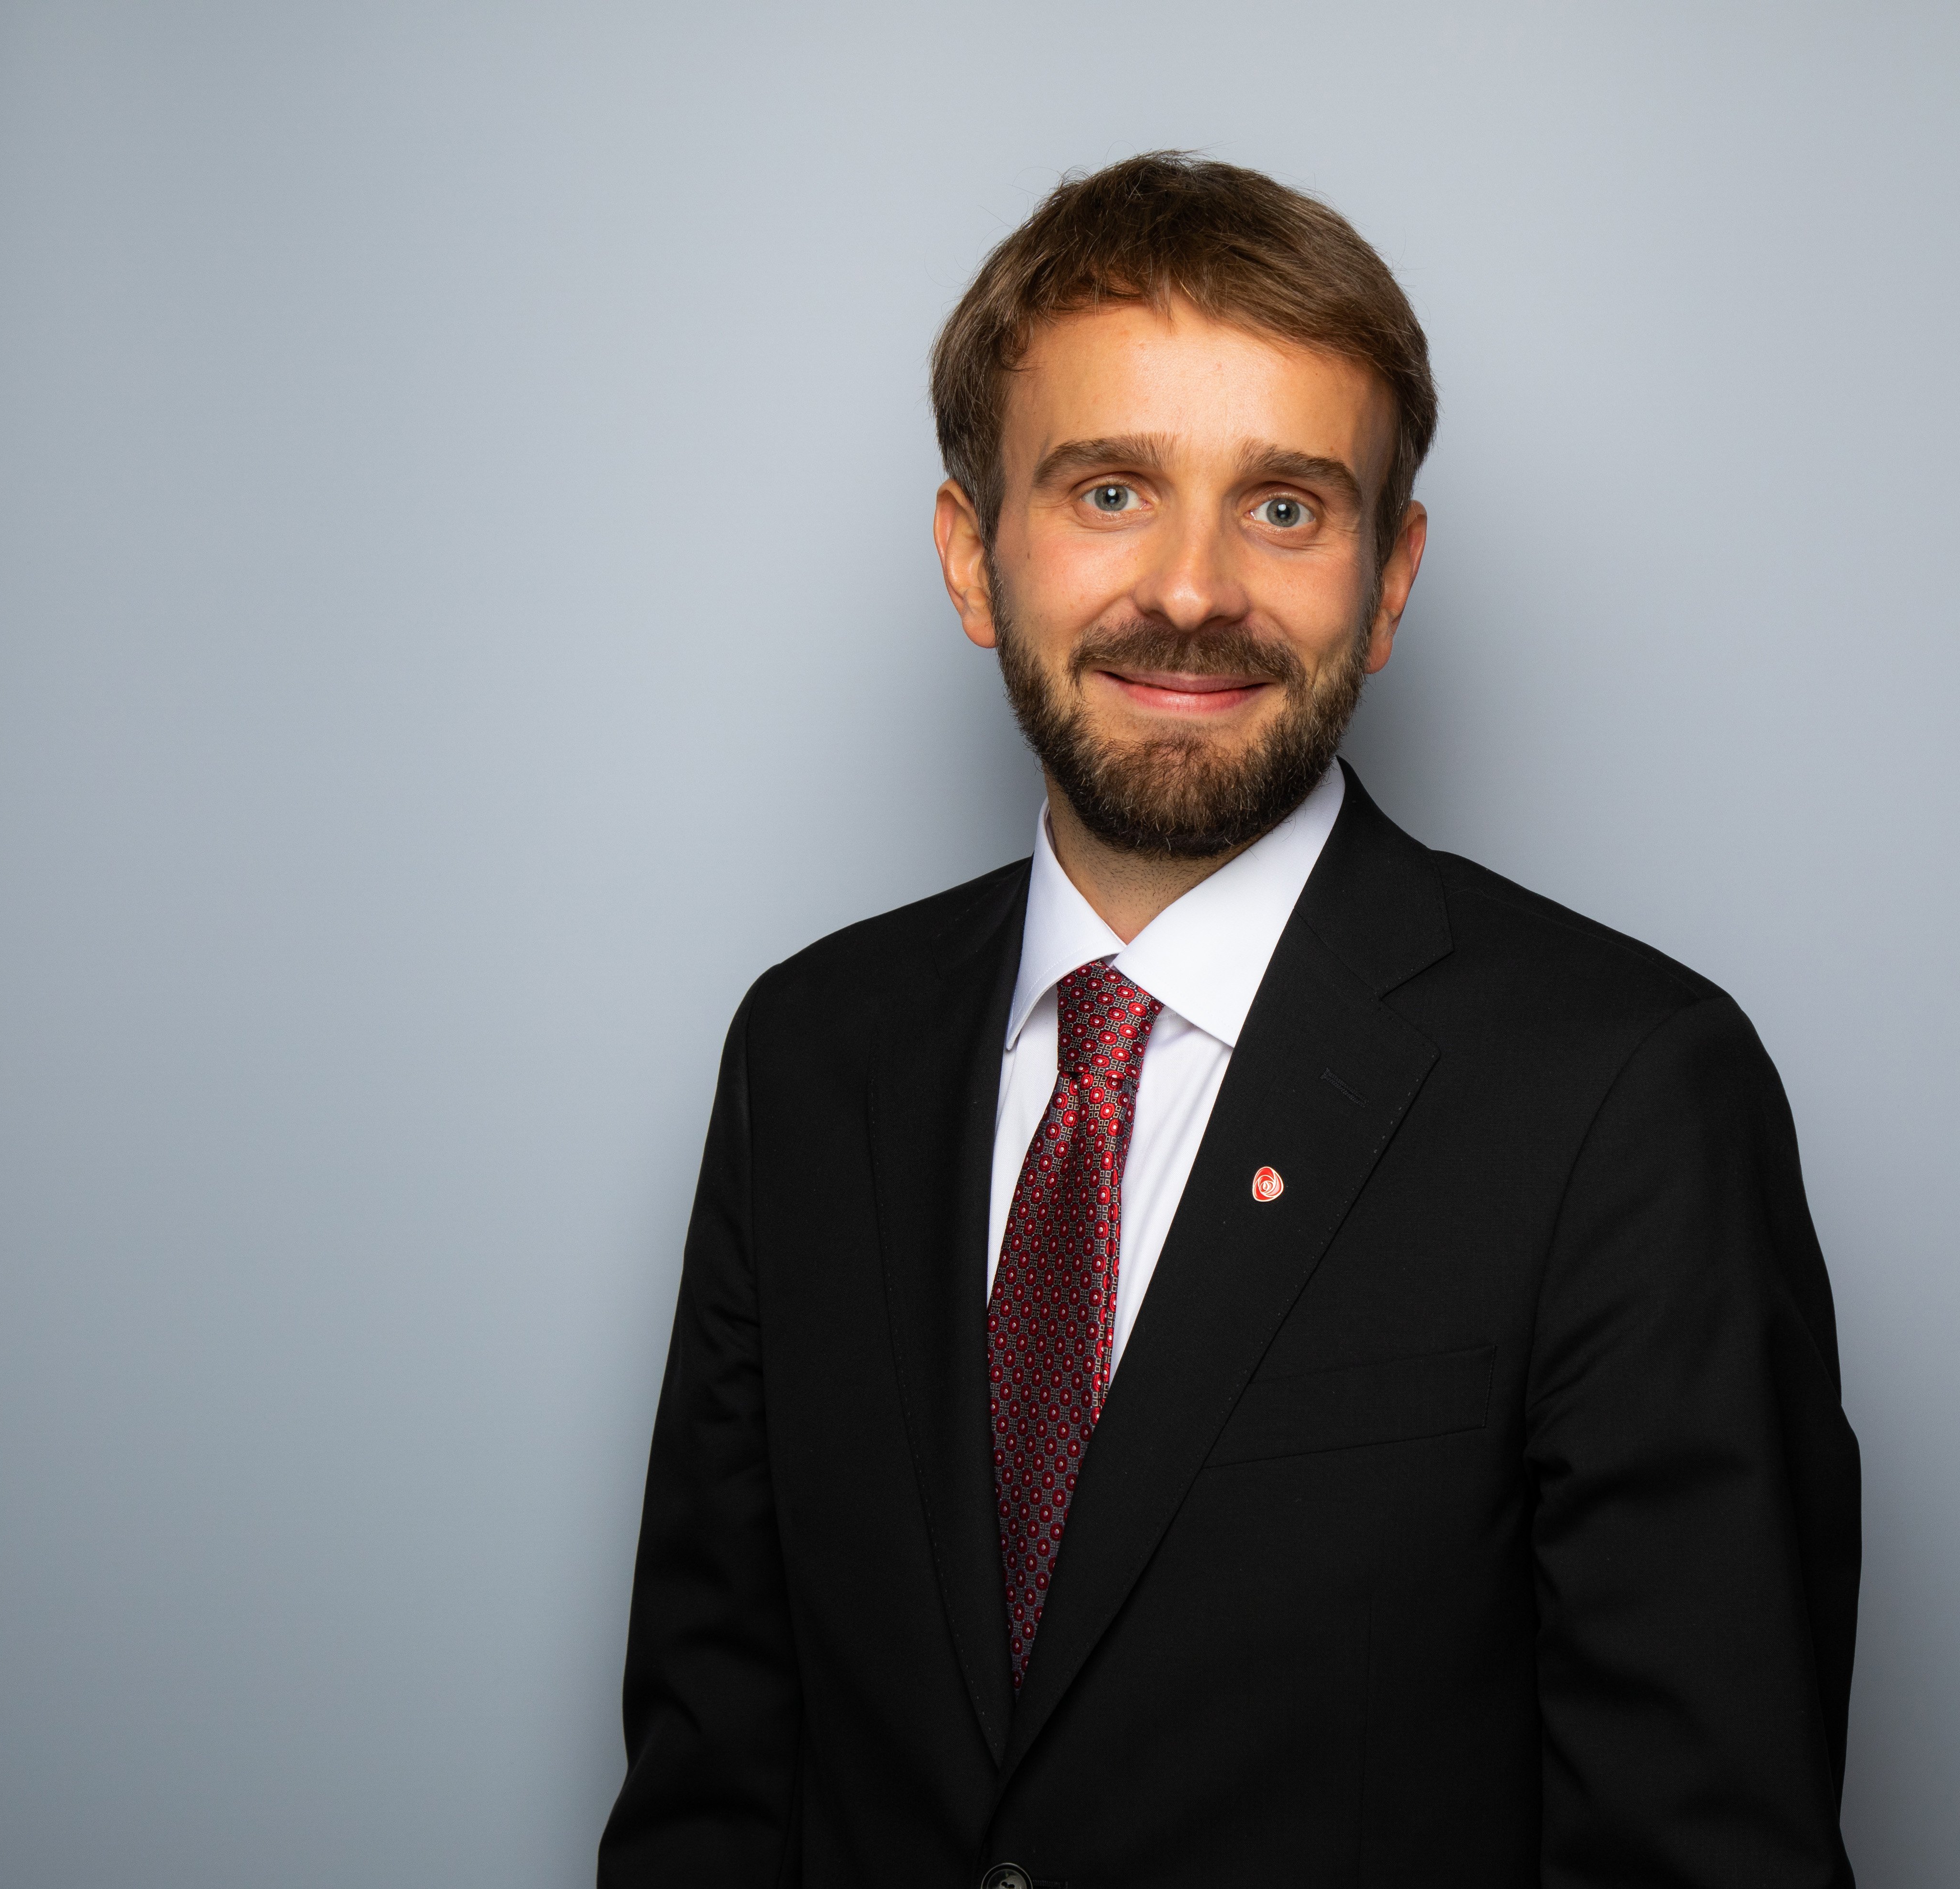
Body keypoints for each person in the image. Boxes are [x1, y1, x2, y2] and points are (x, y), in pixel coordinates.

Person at [599, 152, 1860, 1888]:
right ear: (972, 556)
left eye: (1283, 506)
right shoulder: (808, 1058)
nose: (1192, 590)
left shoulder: (1625, 1097)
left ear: (1388, 579)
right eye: (1111, 490)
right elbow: (713, 1786)